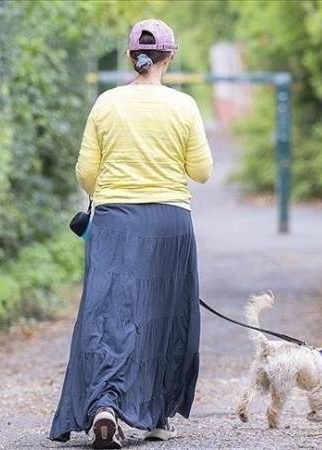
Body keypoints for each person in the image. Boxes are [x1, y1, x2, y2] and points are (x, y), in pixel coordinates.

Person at [48, 18, 213, 450]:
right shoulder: (184, 107)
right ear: (169, 57)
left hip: (116, 222)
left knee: (109, 315)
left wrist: (111, 191)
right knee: (163, 314)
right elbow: (202, 171)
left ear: (130, 57)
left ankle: (105, 405)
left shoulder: (106, 103)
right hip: (169, 222)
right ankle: (157, 415)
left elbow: (86, 173)